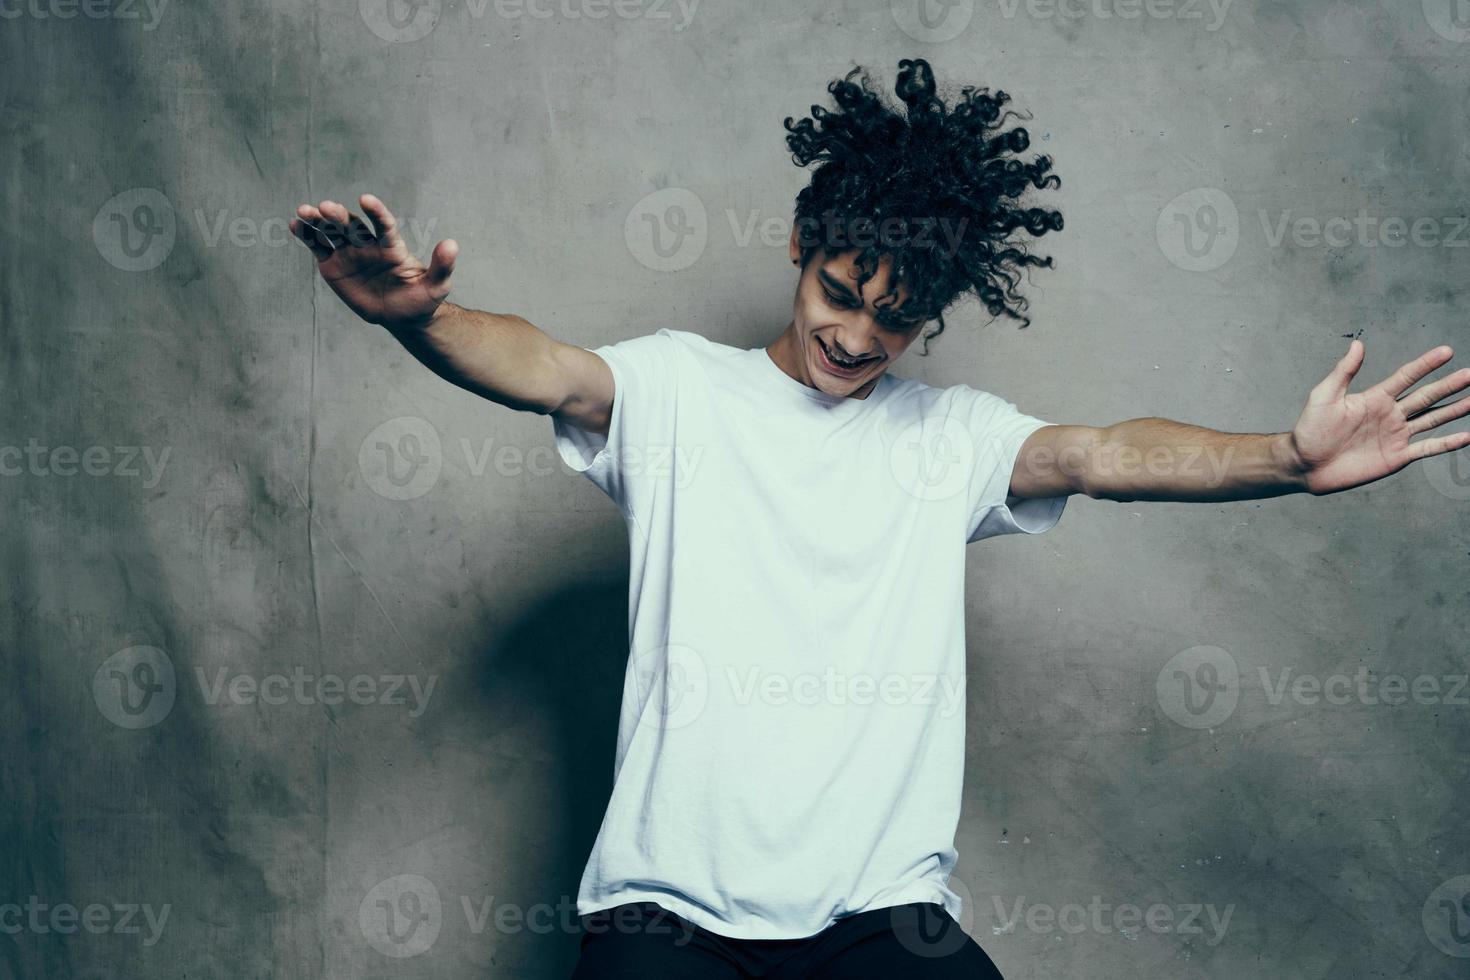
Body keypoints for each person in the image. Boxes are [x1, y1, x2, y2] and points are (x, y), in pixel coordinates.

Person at [289, 58, 1470, 980]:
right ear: (802, 244)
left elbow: (1105, 451)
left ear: (932, 318)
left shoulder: (949, 440)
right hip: (664, 914)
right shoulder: (679, 388)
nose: (856, 335)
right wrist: (415, 321)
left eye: (894, 321)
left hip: (878, 921)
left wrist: (1283, 456)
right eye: (839, 294)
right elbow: (542, 364)